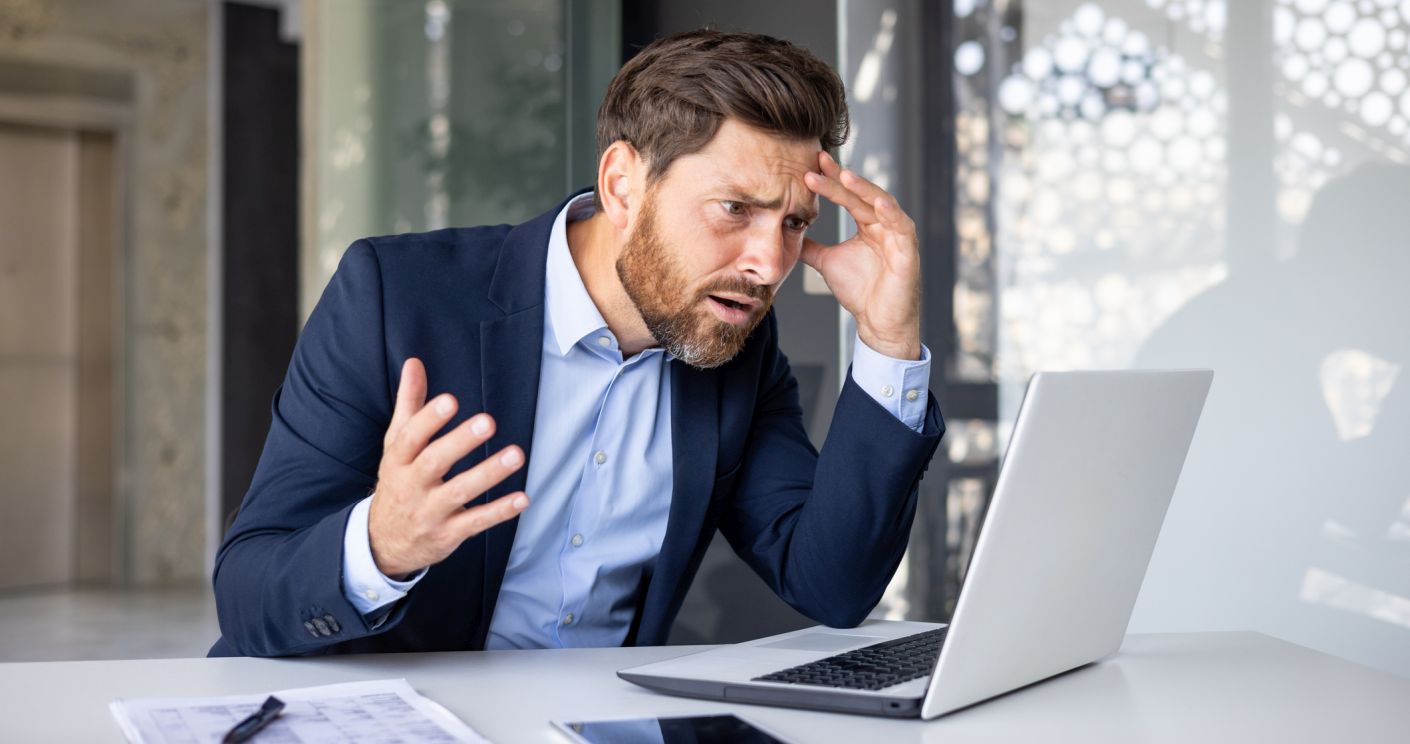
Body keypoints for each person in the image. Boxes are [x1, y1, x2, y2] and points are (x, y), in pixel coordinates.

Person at [209, 29, 945, 657]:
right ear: (623, 185)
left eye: (793, 222)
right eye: (735, 209)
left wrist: (887, 343)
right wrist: (380, 548)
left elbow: (832, 583)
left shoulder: (733, 346)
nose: (770, 263)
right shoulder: (395, 296)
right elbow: (246, 593)